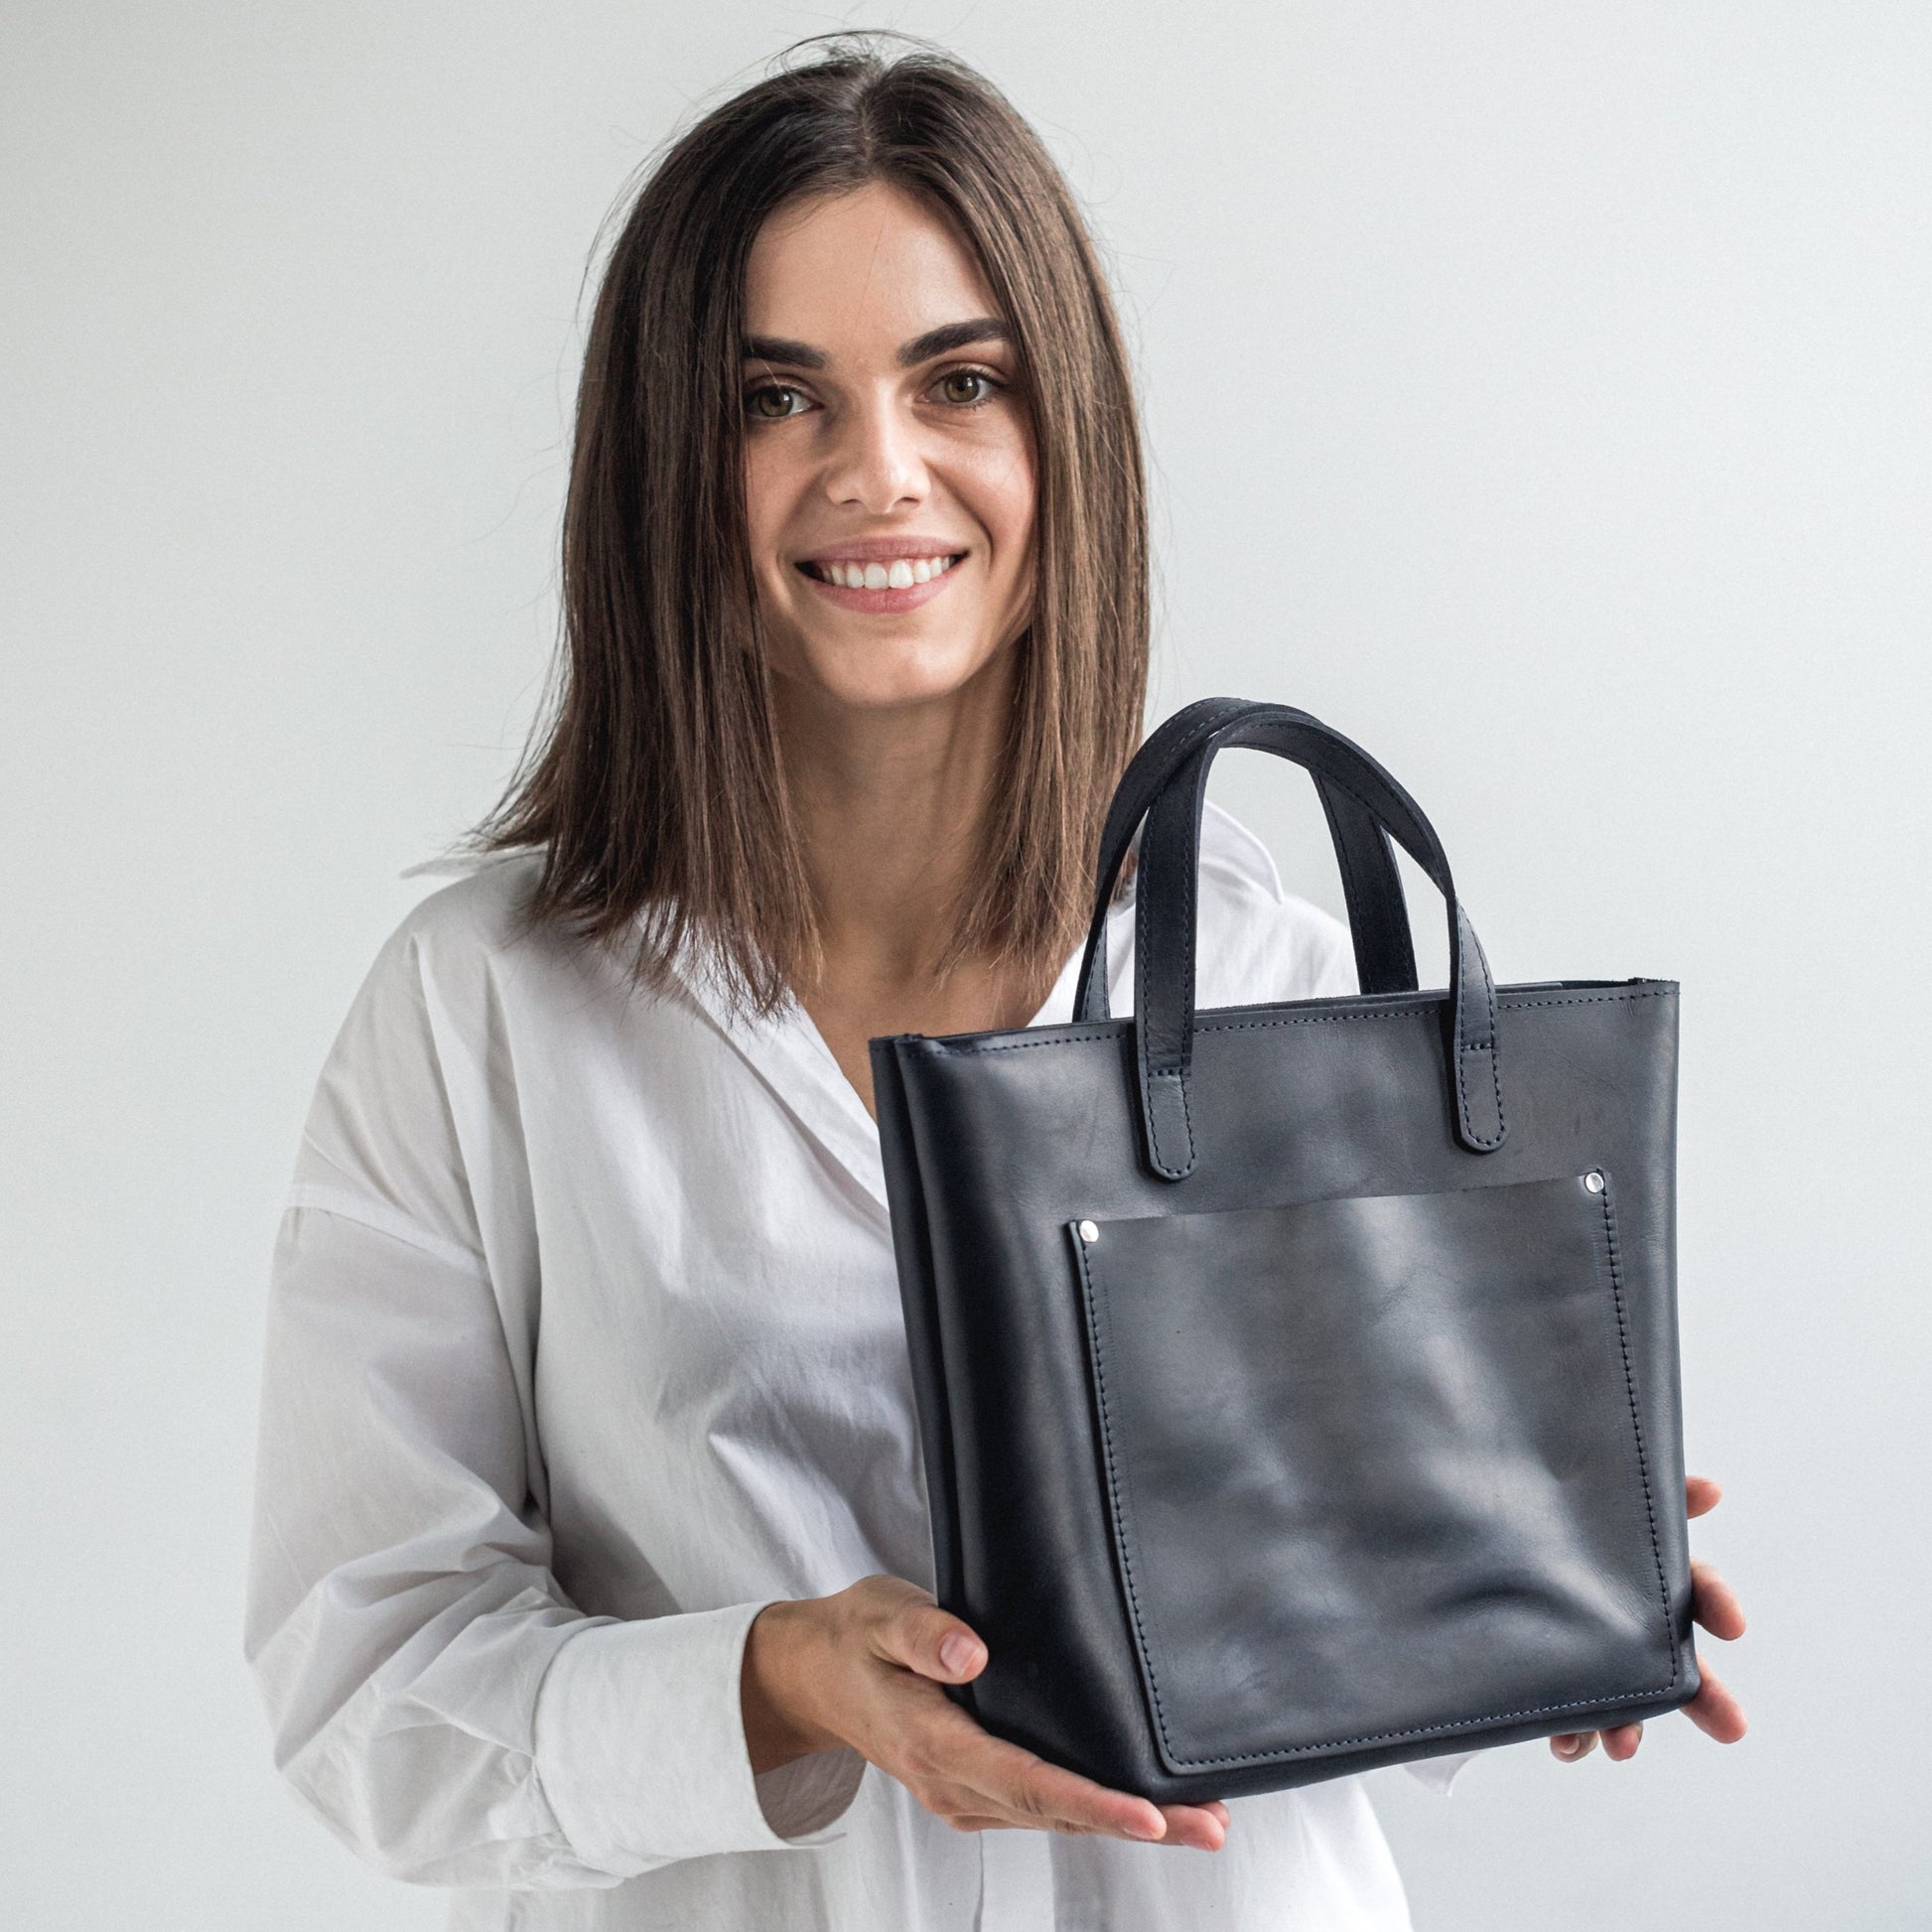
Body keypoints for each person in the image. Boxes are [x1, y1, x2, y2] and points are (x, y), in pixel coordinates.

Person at [243, 37, 1747, 1932]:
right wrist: (777, 1679)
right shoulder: (482, 1011)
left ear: (1066, 443)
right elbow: (366, 1691)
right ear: (667, 480)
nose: (878, 471)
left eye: (959, 382)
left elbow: (1341, 1673)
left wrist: (1519, 1556)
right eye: (775, 398)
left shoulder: (1284, 989)